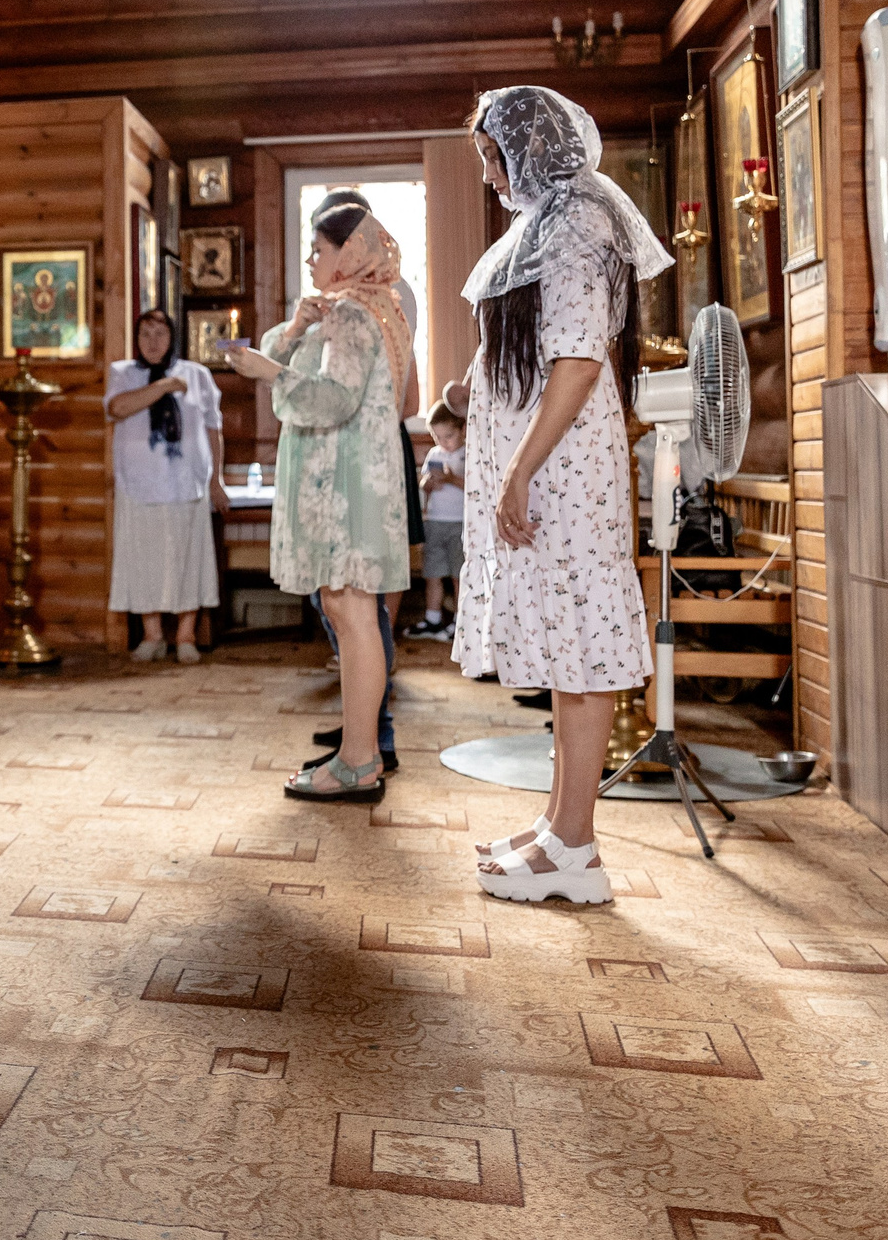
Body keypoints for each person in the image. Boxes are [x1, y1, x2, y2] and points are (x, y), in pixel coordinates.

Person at [453, 86, 674, 903]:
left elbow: (578, 361)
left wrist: (518, 467)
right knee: (562, 649)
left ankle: (577, 849)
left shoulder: (579, 218)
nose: (487, 174)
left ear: (528, 146)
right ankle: (556, 827)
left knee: (579, 648)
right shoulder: (551, 218)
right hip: (551, 465)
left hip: (562, 473)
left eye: (489, 156)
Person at [227, 200, 410, 803]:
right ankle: (357, 753)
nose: (310, 258)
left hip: (346, 486)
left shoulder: (355, 314)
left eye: (318, 249)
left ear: (349, 253)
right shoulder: (352, 308)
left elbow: (332, 400)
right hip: (349, 480)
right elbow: (298, 357)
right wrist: (298, 328)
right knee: (350, 613)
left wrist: (267, 374)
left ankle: (359, 762)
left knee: (354, 616)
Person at [105, 309, 228, 661]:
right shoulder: (124, 373)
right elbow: (117, 408)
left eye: (161, 334)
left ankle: (186, 635)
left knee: (187, 558)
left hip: (186, 483)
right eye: (146, 334)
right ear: (137, 339)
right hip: (140, 484)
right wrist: (162, 386)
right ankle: (152, 634)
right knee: (144, 559)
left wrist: (216, 480)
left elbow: (212, 429)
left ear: (172, 337)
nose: (153, 342)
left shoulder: (197, 374)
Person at [405, 396, 466, 639]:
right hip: (435, 521)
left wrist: (452, 479)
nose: (443, 442)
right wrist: (427, 483)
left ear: (462, 429)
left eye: (448, 436)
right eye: (437, 437)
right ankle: (432, 619)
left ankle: (461, 623)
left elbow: (474, 486)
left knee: (458, 574)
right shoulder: (434, 454)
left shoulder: (468, 454)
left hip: (459, 522)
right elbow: (424, 482)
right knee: (433, 572)